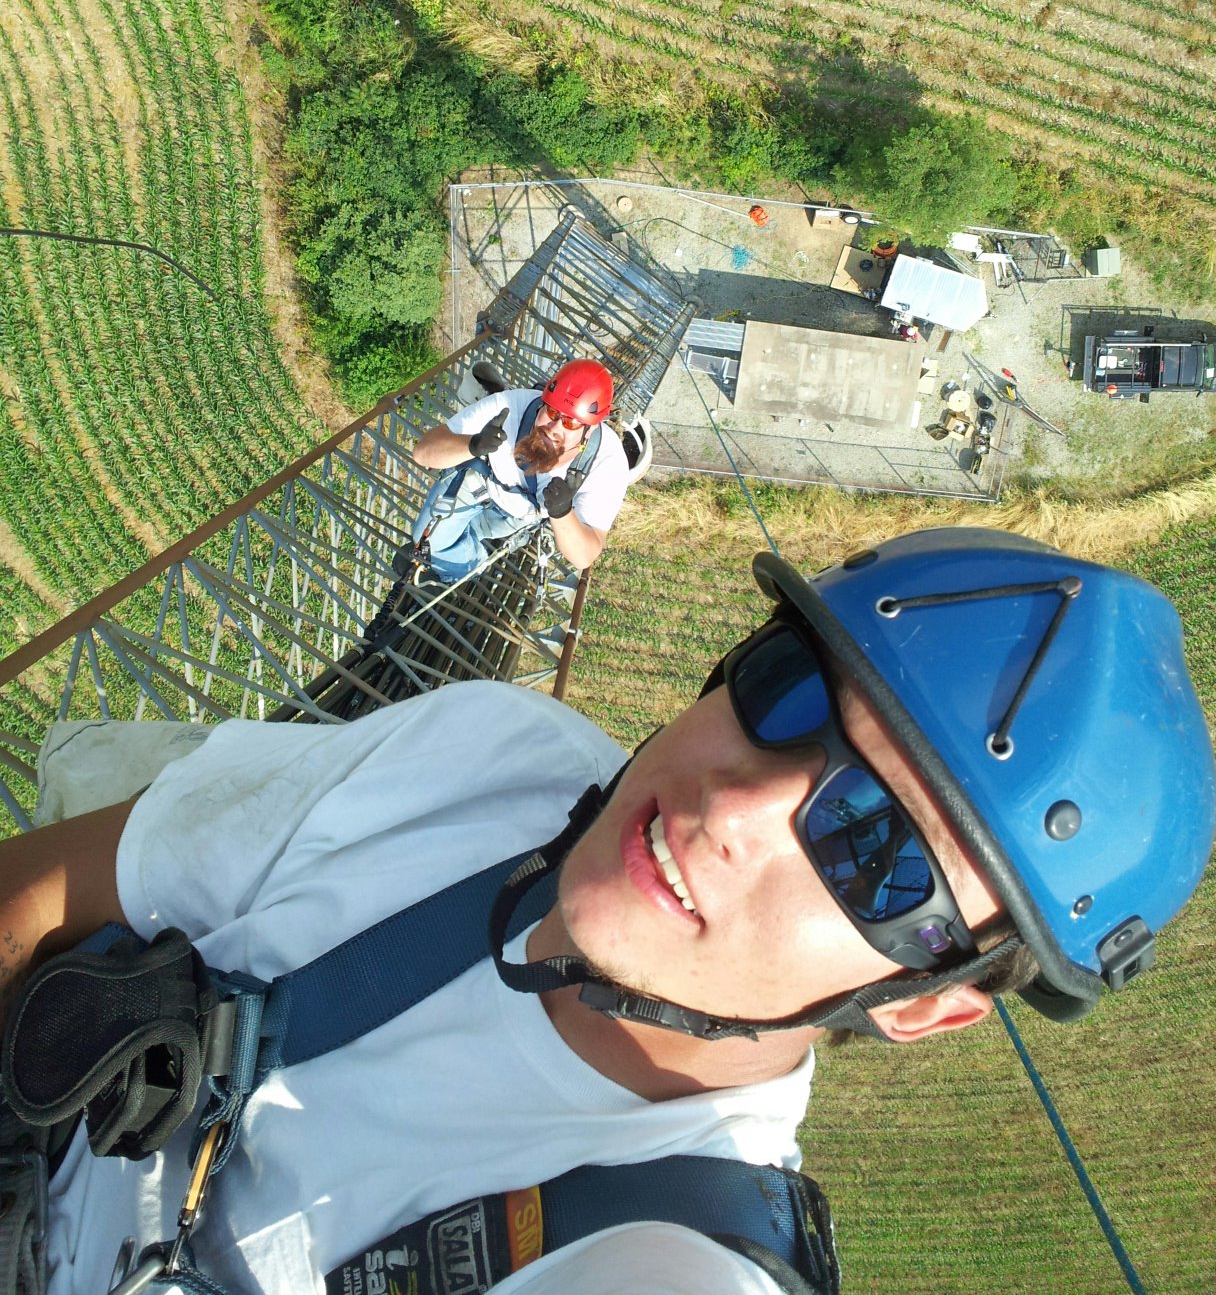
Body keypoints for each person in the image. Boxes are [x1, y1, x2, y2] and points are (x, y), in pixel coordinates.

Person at [1, 527, 1212, 1295]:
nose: (736, 806)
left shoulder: (668, 1251)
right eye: (788, 693)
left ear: (928, 1007)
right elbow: (39, 891)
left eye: (877, 849)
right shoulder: (491, 764)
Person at [411, 359, 628, 578]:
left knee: (443, 547)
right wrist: (472, 445)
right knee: (427, 542)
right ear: (542, 402)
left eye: (571, 423)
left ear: (588, 432)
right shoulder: (507, 406)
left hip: (521, 514)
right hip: (480, 483)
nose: (554, 428)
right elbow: (423, 452)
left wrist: (562, 512)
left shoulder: (607, 463)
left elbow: (585, 555)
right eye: (552, 412)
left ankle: (463, 561)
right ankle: (466, 566)